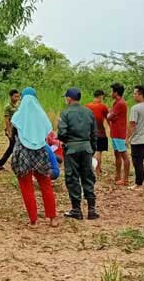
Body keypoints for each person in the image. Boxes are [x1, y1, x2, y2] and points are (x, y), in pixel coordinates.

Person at [10, 87, 59, 228]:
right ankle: (52, 218)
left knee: (27, 187)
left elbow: (14, 136)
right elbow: (47, 134)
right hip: (40, 153)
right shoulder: (42, 115)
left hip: (23, 154)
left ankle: (34, 220)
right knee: (46, 185)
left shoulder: (18, 116)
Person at [58, 88, 99, 220]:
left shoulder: (65, 113)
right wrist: (92, 148)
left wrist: (67, 142)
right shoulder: (88, 112)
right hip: (86, 147)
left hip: (71, 148)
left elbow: (62, 133)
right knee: (88, 176)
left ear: (69, 98)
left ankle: (76, 209)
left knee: (72, 178)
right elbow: (94, 133)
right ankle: (91, 209)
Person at [107, 83, 130, 186]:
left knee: (123, 155)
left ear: (116, 92)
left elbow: (109, 116)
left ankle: (125, 179)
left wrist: (110, 114)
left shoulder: (120, 103)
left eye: (111, 91)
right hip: (115, 132)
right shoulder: (116, 103)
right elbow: (111, 115)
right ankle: (118, 175)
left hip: (119, 133)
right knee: (117, 154)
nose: (110, 93)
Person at [86, 89, 109, 177]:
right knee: (99, 152)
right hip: (100, 133)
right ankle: (98, 171)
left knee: (90, 152)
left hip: (88, 133)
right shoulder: (103, 106)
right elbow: (108, 119)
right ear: (101, 96)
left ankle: (89, 170)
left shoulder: (87, 106)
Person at [0, 89, 20, 170]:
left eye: (18, 96)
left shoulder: (18, 106)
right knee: (12, 147)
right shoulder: (8, 107)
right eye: (15, 96)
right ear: (10, 97)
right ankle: (0, 163)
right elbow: (7, 120)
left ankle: (2, 163)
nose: (17, 98)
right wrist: (9, 132)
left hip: (17, 129)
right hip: (11, 130)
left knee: (14, 146)